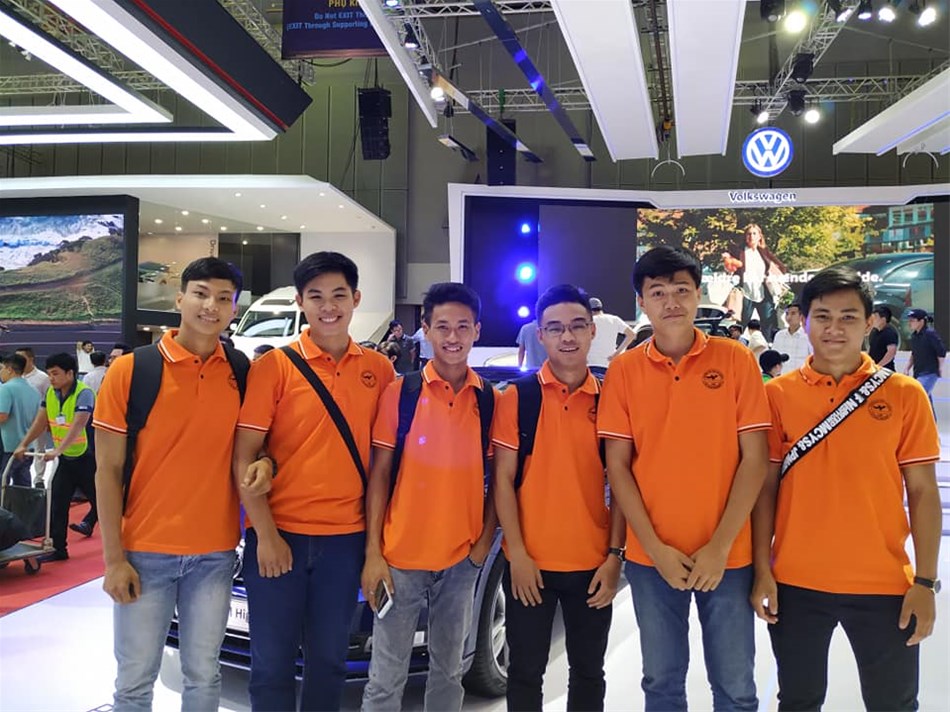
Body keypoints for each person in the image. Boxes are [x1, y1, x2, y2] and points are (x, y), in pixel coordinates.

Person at [751, 266, 941, 711]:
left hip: (884, 584)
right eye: (822, 316)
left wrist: (926, 582)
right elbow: (764, 491)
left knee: (893, 703)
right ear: (804, 320)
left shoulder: (905, 394)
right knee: (798, 701)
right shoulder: (777, 395)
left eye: (848, 317)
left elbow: (923, 492)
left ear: (869, 322)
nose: (834, 328)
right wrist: (762, 569)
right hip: (795, 583)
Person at [598, 245, 770, 711]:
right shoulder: (624, 371)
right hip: (652, 558)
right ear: (642, 302)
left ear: (697, 295)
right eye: (658, 292)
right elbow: (618, 467)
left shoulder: (735, 360)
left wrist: (720, 547)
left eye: (681, 290)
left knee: (735, 687)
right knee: (662, 683)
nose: (671, 301)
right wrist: (654, 548)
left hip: (728, 556)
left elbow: (755, 460)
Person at [93, 257, 265, 711]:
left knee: (204, 675)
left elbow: (253, 449)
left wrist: (265, 463)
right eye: (201, 294)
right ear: (179, 298)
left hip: (215, 553)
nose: (211, 306)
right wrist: (113, 560)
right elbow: (107, 471)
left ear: (234, 308)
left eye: (223, 298)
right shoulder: (133, 371)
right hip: (144, 551)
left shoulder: (241, 371)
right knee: (134, 681)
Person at [233, 251, 395, 711]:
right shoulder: (274, 367)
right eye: (316, 296)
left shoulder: (379, 370)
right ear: (300, 302)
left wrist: (374, 548)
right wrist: (266, 535)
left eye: (338, 295)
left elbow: (384, 464)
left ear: (356, 299)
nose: (329, 307)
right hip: (279, 535)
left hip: (345, 541)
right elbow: (244, 456)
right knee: (271, 665)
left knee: (328, 664)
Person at [361, 282, 498, 712]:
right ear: (426, 329)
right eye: (443, 326)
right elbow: (380, 476)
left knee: (449, 672)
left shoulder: (489, 399)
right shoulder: (401, 394)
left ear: (477, 330)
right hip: (400, 559)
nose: (453, 337)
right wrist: (373, 553)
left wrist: (481, 545)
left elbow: (499, 480)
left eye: (463, 327)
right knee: (386, 678)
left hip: (460, 561)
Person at [493, 284, 625, 712]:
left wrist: (614, 557)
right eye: (555, 328)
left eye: (577, 326)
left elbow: (622, 485)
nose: (567, 337)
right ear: (540, 335)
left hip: (592, 564)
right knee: (525, 672)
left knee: (588, 672)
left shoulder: (611, 399)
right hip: (530, 565)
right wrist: (518, 555)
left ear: (592, 331)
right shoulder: (519, 398)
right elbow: (504, 480)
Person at [14, 351, 98, 562]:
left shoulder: (84, 393)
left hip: (89, 458)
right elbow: (40, 422)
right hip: (67, 460)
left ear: (70, 373)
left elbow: (79, 424)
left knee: (105, 502)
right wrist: (23, 444)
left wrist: (57, 450)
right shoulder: (51, 393)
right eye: (49, 373)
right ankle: (58, 548)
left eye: (55, 374)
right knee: (58, 503)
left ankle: (123, 540)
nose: (51, 378)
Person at [722, 223, 787, 340]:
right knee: (740, 323)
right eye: (749, 234)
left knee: (768, 323)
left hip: (763, 293)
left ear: (759, 236)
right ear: (745, 236)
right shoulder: (739, 252)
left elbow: (781, 268)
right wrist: (727, 260)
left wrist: (772, 275)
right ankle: (734, 346)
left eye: (754, 233)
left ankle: (768, 347)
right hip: (745, 293)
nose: (751, 236)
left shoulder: (764, 252)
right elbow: (729, 266)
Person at [0, 353, 41, 487]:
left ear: (9, 369)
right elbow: (37, 420)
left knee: (3, 482)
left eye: (1, 369)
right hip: (27, 445)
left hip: (7, 446)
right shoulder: (34, 391)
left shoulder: (5, 389)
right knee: (22, 485)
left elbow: (2, 416)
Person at [15, 347, 51, 486]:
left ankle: (39, 479)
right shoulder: (16, 376)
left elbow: (49, 398)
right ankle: (19, 477)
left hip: (37, 420)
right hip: (18, 419)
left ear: (31, 359)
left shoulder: (43, 378)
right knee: (20, 448)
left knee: (39, 449)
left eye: (22, 358)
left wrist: (47, 421)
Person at [904, 308, 946, 412]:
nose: (909, 323)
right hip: (918, 372)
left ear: (921, 321)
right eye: (909, 320)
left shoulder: (930, 334)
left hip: (929, 372)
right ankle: (932, 421)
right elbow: (914, 353)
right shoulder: (914, 336)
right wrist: (907, 367)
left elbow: (941, 351)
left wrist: (940, 368)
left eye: (912, 320)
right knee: (926, 401)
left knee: (919, 396)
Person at [587, 297, 636, 368]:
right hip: (609, 365)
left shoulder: (587, 322)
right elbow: (632, 334)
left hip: (590, 364)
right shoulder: (614, 320)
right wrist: (617, 353)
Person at [771, 303, 812, 373]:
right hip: (782, 377)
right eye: (787, 314)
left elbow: (813, 359)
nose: (789, 317)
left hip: (801, 377)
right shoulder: (779, 335)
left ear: (801, 316)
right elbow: (773, 357)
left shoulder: (808, 336)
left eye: (793, 313)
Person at [867, 305, 899, 370]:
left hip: (885, 370)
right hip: (874, 369)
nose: (873, 320)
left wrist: (878, 366)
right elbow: (871, 350)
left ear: (883, 319)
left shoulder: (889, 333)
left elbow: (891, 352)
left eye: (875, 317)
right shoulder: (874, 332)